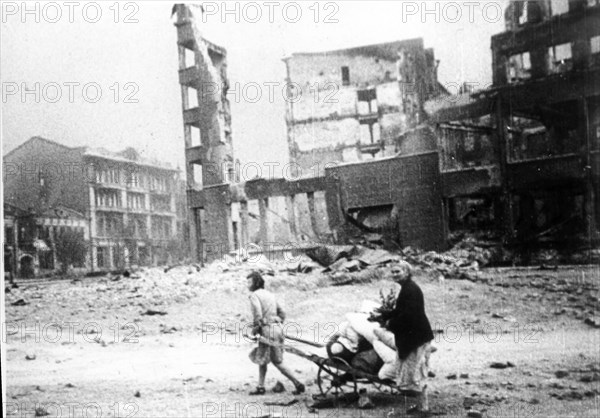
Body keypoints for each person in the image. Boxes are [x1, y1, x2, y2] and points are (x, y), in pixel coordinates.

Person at [246, 271, 305, 395]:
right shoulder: (270, 295)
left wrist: (255, 329)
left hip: (267, 331)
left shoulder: (254, 296)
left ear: (256, 283)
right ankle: (262, 386)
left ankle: (296, 383)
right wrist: (276, 320)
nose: (247, 285)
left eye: (249, 282)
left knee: (269, 360)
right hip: (278, 330)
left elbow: (258, 315)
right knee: (268, 359)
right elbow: (282, 313)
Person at [386, 262, 434, 413]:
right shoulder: (406, 288)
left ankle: (424, 409)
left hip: (417, 337)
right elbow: (401, 311)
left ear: (407, 272)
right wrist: (384, 315)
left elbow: (408, 316)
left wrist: (390, 323)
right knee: (415, 372)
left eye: (398, 271)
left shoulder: (411, 290)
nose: (395, 274)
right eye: (393, 272)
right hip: (414, 336)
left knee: (417, 373)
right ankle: (421, 406)